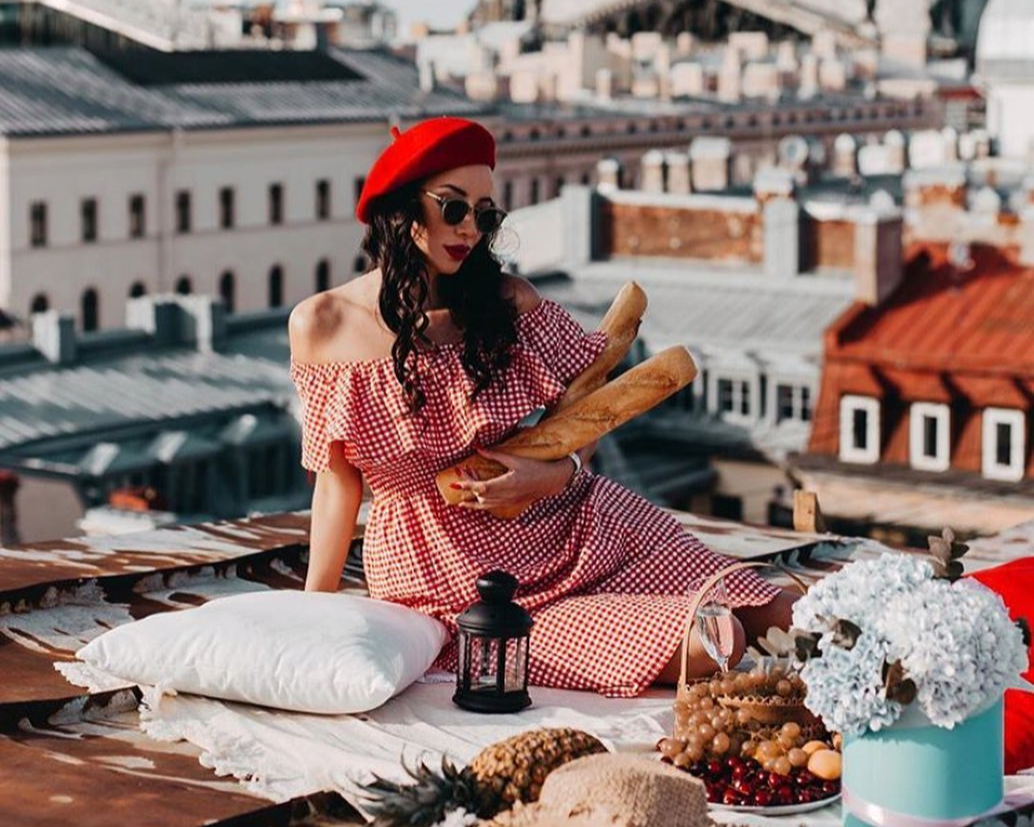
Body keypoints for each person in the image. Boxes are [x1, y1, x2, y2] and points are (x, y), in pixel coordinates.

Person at [289, 117, 796, 698]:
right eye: (453, 208)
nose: (471, 230)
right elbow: (336, 485)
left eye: (485, 215)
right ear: (400, 209)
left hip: (581, 520)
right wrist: (314, 614)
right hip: (453, 577)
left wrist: (557, 472)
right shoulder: (322, 326)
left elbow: (588, 408)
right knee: (716, 639)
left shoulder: (508, 304)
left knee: (778, 609)